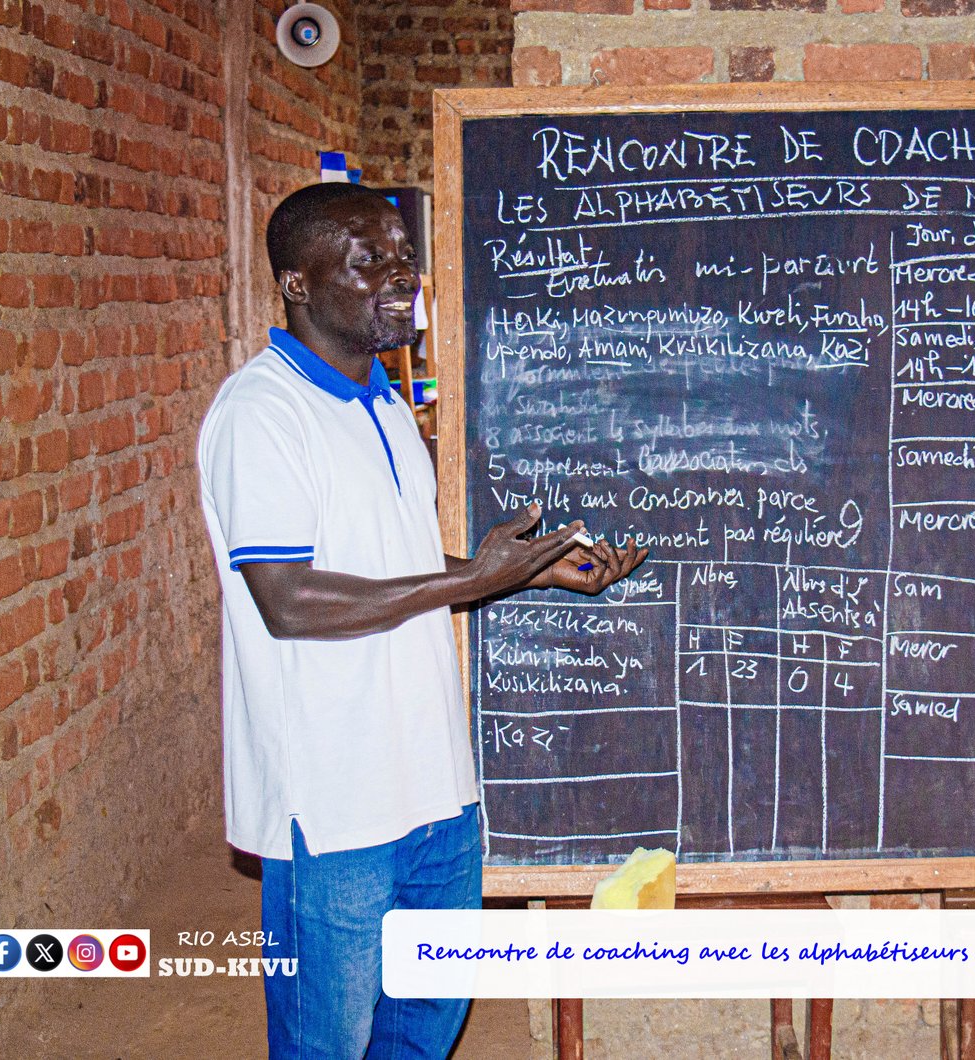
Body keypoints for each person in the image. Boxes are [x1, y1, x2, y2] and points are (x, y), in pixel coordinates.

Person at [196, 182, 646, 1058]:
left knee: (421, 1028)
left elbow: (383, 564)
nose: (401, 275)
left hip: (433, 788)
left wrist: (527, 571)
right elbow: (289, 600)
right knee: (328, 1039)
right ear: (296, 283)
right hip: (333, 805)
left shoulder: (386, 403)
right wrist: (475, 577)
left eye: (404, 255)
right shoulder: (262, 413)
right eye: (369, 260)